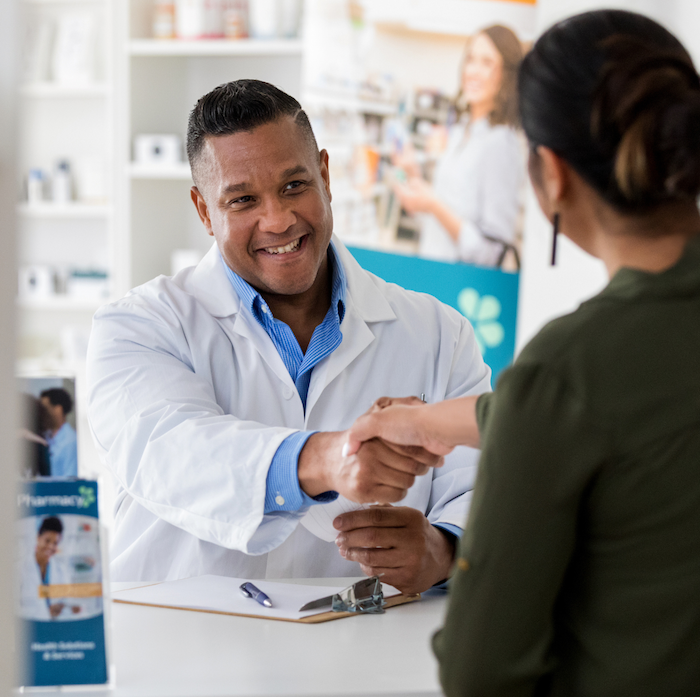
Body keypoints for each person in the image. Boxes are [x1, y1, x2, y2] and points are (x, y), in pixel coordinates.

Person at [346, 9, 700, 695]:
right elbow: (621, 407)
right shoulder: (584, 375)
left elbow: (482, 669)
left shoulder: (571, 364)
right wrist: (425, 422)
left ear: (551, 174)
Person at [86, 80, 492, 591]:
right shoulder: (138, 327)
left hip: (364, 659)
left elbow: (486, 487)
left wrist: (443, 548)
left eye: (294, 186)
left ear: (324, 174)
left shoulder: (439, 333)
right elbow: (172, 453)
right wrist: (325, 458)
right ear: (203, 210)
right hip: (183, 655)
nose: (277, 220)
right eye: (242, 200)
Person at [393, 25, 524, 267]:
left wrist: (433, 205)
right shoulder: (461, 131)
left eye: (487, 62)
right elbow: (439, 222)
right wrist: (413, 177)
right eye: (470, 59)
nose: (473, 71)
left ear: (507, 74)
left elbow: (493, 252)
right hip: (432, 272)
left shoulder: (501, 144)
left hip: (461, 289)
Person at [17, 516, 81, 621]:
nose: (51, 547)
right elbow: (12, 608)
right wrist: (46, 612)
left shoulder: (61, 570)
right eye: (47, 541)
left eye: (55, 543)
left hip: (55, 629)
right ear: (38, 537)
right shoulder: (19, 569)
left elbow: (66, 602)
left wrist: (69, 608)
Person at [40, 387, 78, 477]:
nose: (41, 414)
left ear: (58, 410)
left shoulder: (71, 441)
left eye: (44, 409)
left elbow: (70, 481)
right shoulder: (45, 437)